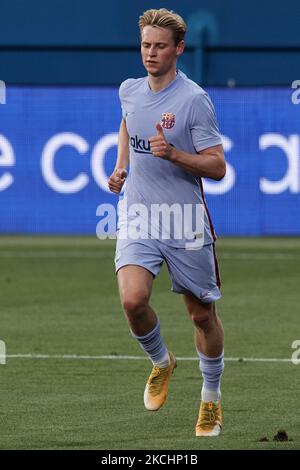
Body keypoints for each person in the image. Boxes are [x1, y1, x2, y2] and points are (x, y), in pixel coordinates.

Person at [108, 8, 226, 437]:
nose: (151, 53)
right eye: (145, 45)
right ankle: (162, 362)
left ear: (178, 49)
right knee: (132, 301)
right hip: (139, 213)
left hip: (185, 219)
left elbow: (218, 167)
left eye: (160, 46)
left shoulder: (194, 100)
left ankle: (210, 400)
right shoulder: (129, 89)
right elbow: (127, 121)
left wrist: (175, 154)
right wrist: (121, 166)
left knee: (200, 316)